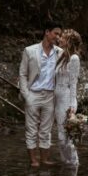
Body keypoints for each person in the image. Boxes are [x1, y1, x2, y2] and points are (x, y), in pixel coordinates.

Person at [18, 20, 62, 167]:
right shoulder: (29, 50)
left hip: (50, 96)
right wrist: (26, 95)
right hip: (33, 94)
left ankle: (44, 159)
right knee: (31, 129)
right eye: (56, 33)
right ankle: (33, 161)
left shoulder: (59, 52)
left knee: (46, 130)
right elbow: (23, 74)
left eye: (60, 35)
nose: (58, 37)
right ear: (47, 32)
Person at [53, 29, 82, 166]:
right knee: (60, 137)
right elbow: (49, 45)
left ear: (69, 41)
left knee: (66, 139)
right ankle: (66, 163)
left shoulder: (74, 58)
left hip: (66, 101)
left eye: (63, 37)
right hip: (57, 101)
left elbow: (73, 83)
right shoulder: (61, 54)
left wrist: (72, 107)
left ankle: (74, 163)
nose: (60, 39)